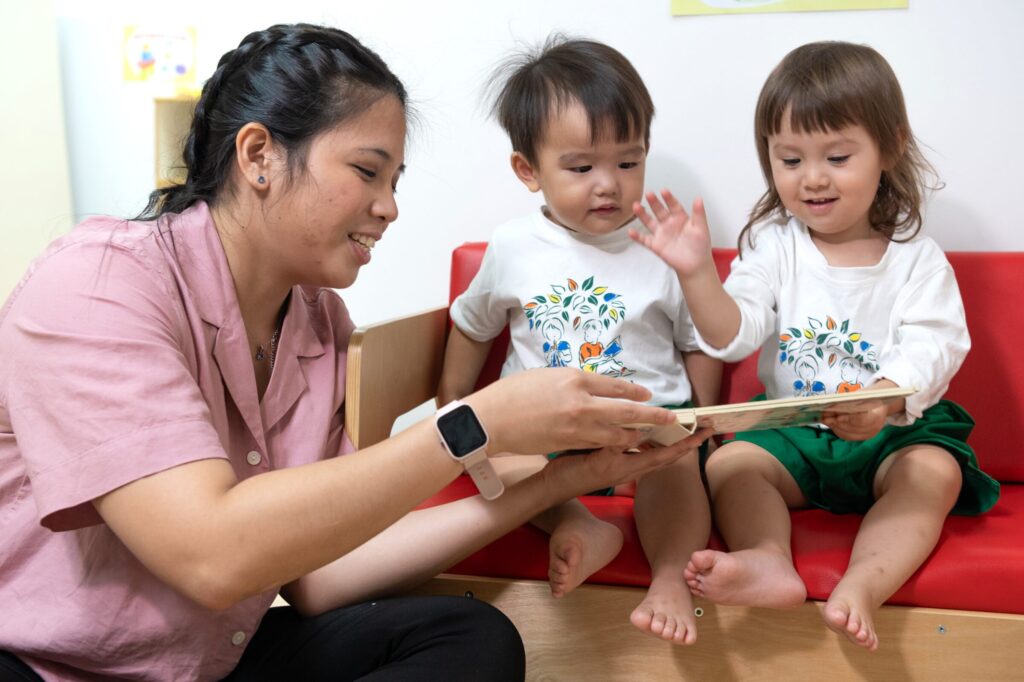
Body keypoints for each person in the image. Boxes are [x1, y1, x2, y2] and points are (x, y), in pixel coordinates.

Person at [0, 24, 710, 681]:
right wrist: (477, 423)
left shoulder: (317, 321)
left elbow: (320, 579)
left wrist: (559, 483)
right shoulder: (96, 284)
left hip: (204, 660)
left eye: (394, 181)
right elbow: (211, 556)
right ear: (259, 156)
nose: (390, 206)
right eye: (368, 172)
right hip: (48, 665)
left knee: (471, 637)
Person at [631, 41, 1000, 652]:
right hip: (796, 435)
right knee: (729, 463)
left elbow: (936, 344)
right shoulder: (775, 248)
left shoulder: (916, 260)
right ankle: (769, 560)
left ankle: (862, 583)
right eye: (791, 159)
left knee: (934, 473)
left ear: (891, 146)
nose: (813, 177)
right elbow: (732, 334)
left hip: (894, 434)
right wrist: (697, 274)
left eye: (837, 155)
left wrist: (882, 400)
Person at [437, 36, 720, 646]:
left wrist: (703, 416)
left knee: (676, 471)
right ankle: (578, 524)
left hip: (647, 421)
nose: (608, 185)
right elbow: (471, 324)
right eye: (581, 167)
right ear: (528, 170)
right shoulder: (512, 247)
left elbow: (699, 341)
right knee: (494, 458)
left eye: (628, 162)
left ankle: (671, 576)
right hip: (544, 427)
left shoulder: (664, 246)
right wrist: (451, 400)